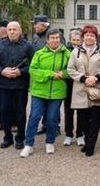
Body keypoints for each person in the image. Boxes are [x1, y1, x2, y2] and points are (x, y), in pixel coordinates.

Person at [20, 29, 71, 157]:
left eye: (57, 38)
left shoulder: (67, 54)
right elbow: (33, 70)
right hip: (39, 91)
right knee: (35, 117)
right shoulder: (39, 53)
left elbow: (72, 69)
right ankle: (29, 144)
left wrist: (63, 74)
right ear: (47, 40)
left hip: (57, 92)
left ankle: (50, 142)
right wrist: (50, 74)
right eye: (52, 38)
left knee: (52, 119)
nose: (55, 40)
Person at [67, 25, 100, 157]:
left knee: (96, 118)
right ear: (83, 37)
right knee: (83, 119)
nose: (89, 37)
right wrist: (82, 78)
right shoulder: (76, 52)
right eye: (86, 35)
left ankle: (91, 145)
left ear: (95, 37)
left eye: (92, 35)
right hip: (81, 88)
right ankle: (86, 141)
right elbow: (70, 69)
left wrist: (96, 78)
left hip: (97, 88)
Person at [0, 21, 34, 150]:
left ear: (20, 31)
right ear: (6, 31)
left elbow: (33, 64)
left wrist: (21, 71)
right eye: (9, 29)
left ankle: (20, 138)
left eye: (15, 29)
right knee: (4, 112)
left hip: (20, 85)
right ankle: (7, 137)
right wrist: (2, 70)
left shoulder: (28, 46)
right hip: (3, 84)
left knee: (20, 112)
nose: (12, 32)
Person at [31, 14, 64, 135]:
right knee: (43, 101)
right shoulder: (35, 36)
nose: (34, 26)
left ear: (44, 25)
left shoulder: (54, 36)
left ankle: (55, 126)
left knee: (53, 103)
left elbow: (62, 53)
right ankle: (45, 125)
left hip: (54, 76)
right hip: (40, 73)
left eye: (36, 24)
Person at [0, 20, 18, 132]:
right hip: (0, 76)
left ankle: (14, 123)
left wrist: (16, 71)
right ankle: (2, 122)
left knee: (13, 102)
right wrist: (0, 70)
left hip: (14, 76)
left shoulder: (16, 42)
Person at [63, 29, 85, 146]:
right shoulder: (65, 51)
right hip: (69, 84)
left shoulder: (84, 50)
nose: (76, 42)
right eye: (74, 40)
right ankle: (68, 134)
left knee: (81, 110)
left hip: (81, 83)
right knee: (68, 111)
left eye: (78, 40)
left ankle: (80, 134)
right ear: (70, 40)